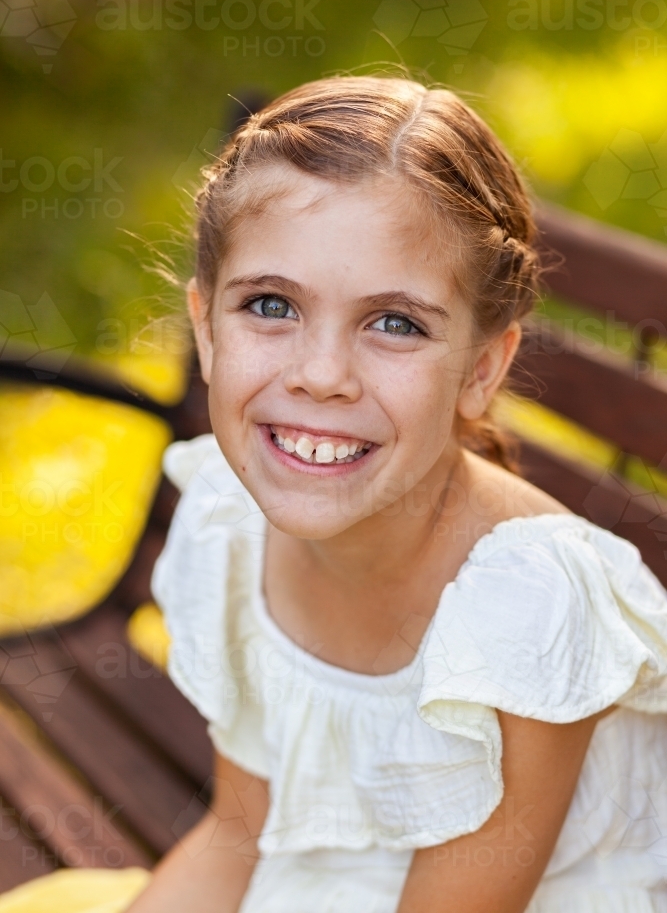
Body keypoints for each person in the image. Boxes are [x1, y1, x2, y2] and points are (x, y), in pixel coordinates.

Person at [5, 76, 665, 913]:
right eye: (271, 305)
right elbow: (239, 836)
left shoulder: (531, 607)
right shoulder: (228, 524)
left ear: (481, 369)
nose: (320, 376)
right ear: (205, 329)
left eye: (394, 323)